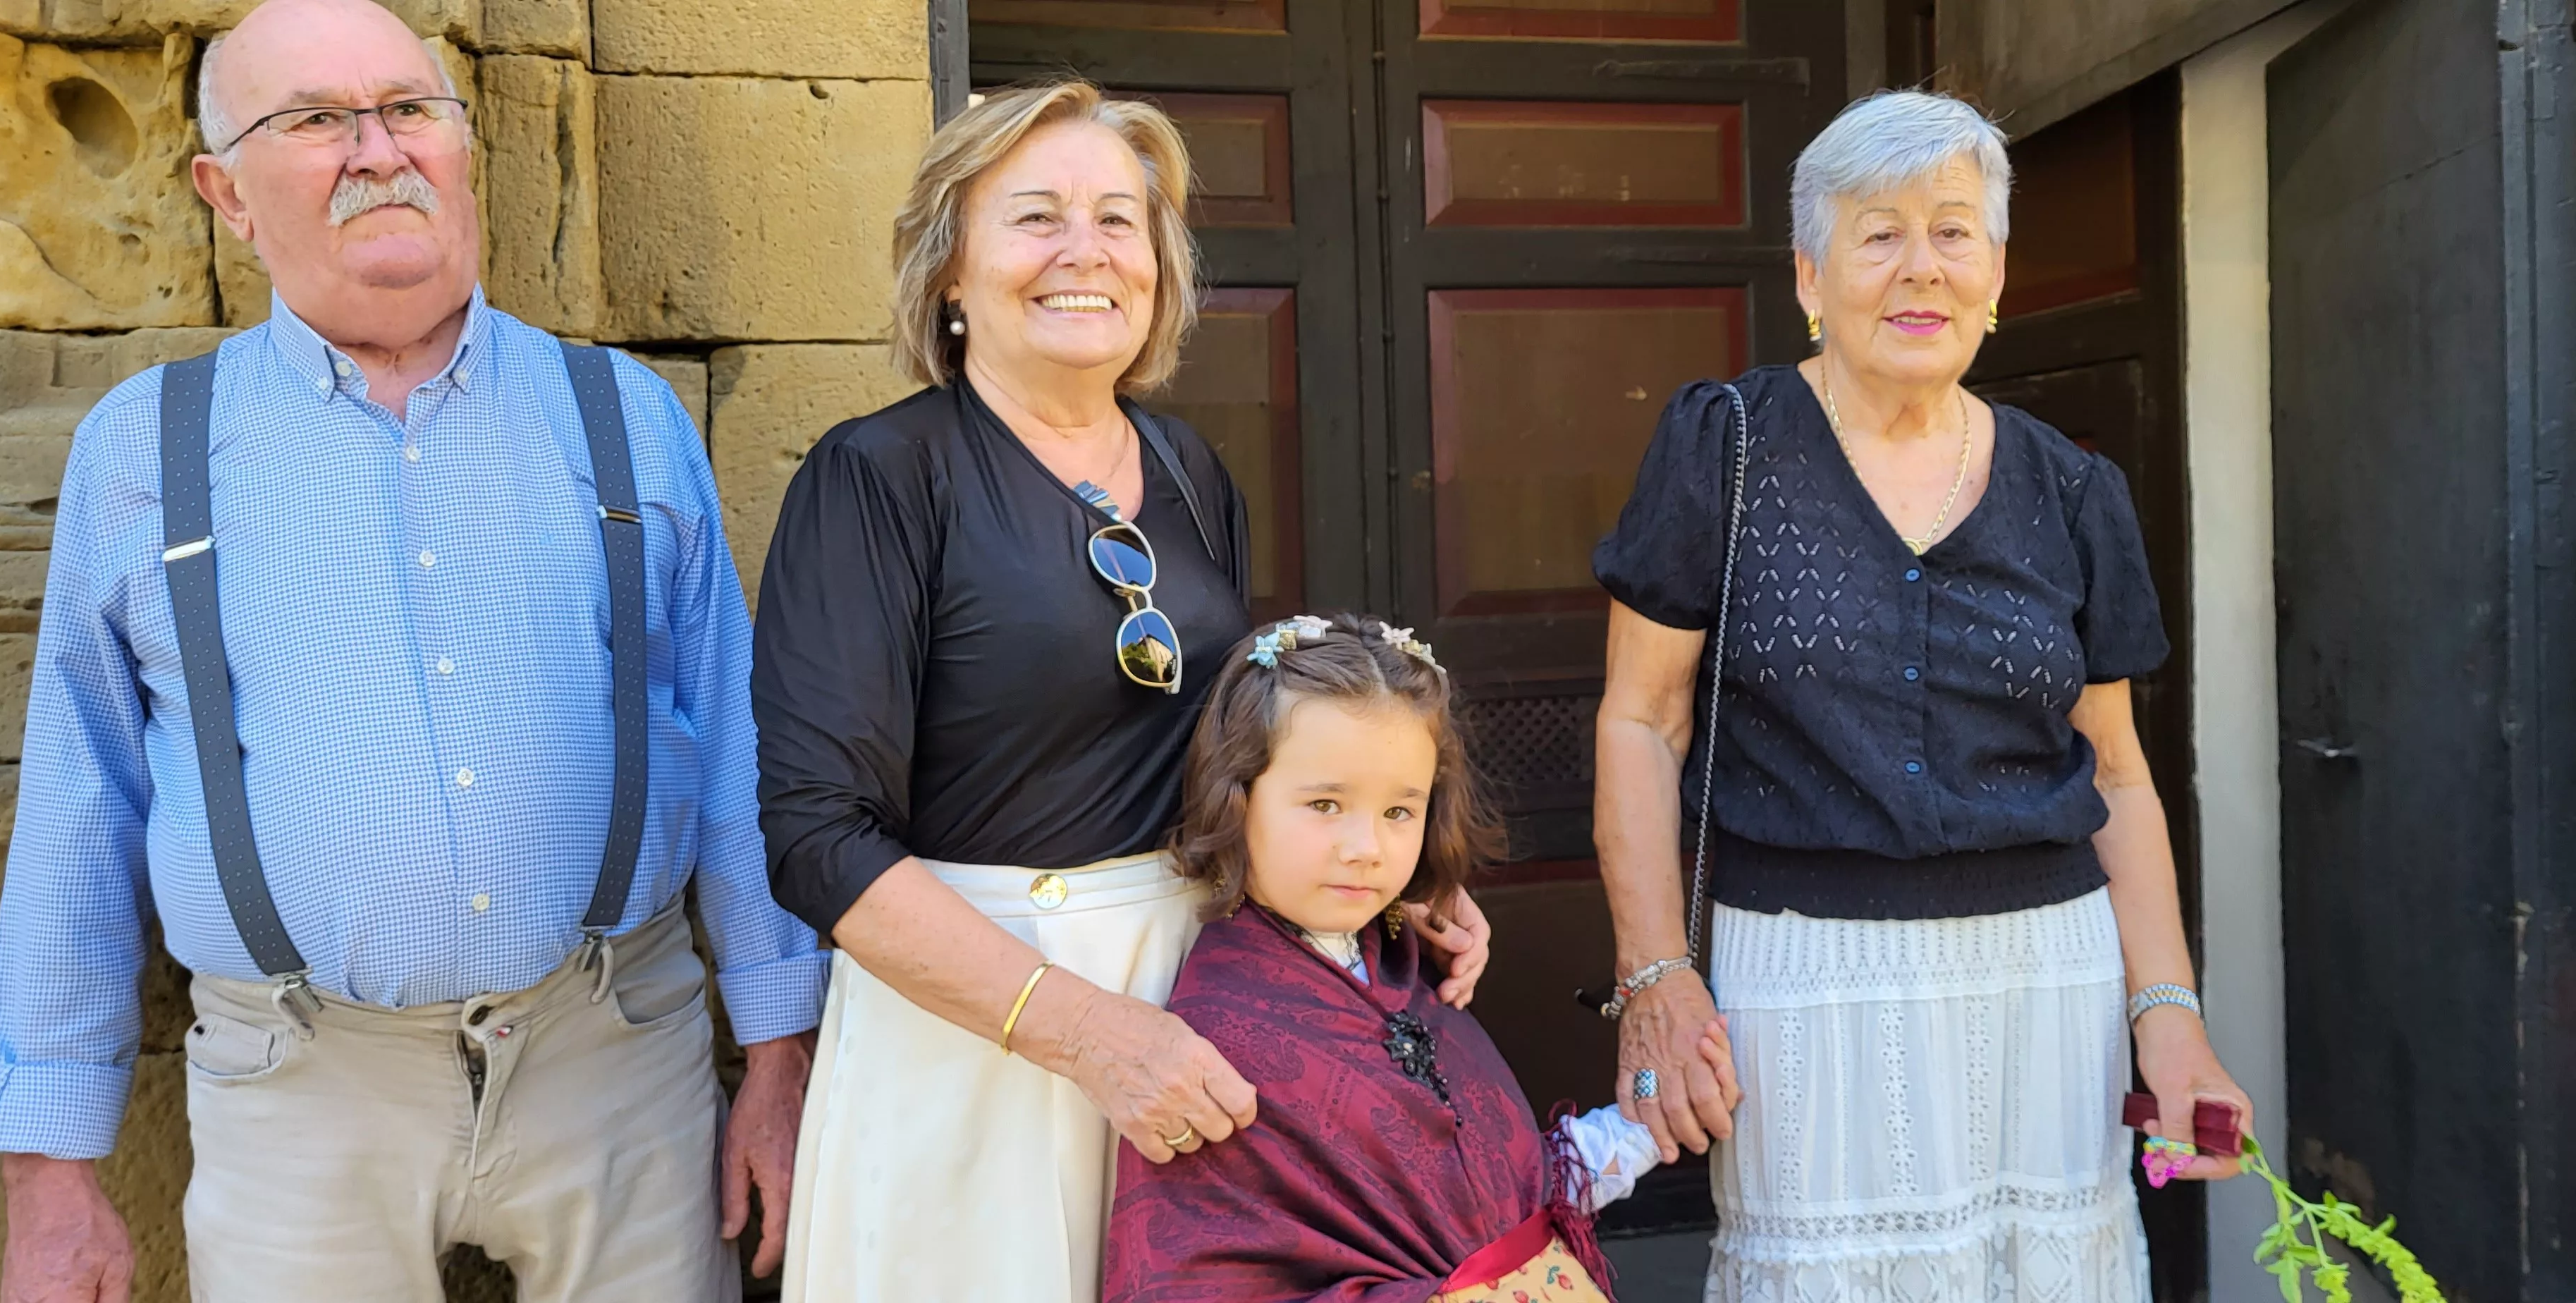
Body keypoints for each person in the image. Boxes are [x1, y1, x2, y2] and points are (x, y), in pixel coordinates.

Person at [0, 1, 828, 1297]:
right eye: (316, 119)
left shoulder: (624, 419)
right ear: (226, 193)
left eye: (410, 106)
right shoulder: (144, 454)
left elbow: (729, 748)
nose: (379, 149)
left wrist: (779, 1055)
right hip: (295, 1090)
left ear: (460, 142)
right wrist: (51, 1170)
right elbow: (78, 809)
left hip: (620, 1055)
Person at [752, 82, 1496, 1303]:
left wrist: (1375, 883)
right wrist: (1087, 1032)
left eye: (1118, 219)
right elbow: (817, 839)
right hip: (973, 1021)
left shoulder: (1190, 469)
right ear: (949, 269)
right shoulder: (877, 478)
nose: (1085, 252)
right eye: (1035, 217)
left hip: (1197, 1001)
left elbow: (1231, 763)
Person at [1588, 90, 2252, 1296]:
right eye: (1877, 232)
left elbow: (2115, 771)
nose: (1919, 268)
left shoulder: (2068, 487)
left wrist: (2166, 1008)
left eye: (1952, 231)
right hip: (1806, 983)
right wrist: (1655, 973)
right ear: (1809, 272)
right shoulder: (1725, 445)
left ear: (1994, 272)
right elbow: (1641, 718)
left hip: (2046, 984)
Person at [1103, 615, 1670, 1302]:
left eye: (1398, 812)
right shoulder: (1222, 1029)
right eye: (1324, 803)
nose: (1365, 846)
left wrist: (1625, 1137)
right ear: (1236, 794)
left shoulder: (1401, 960)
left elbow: (1478, 1188)